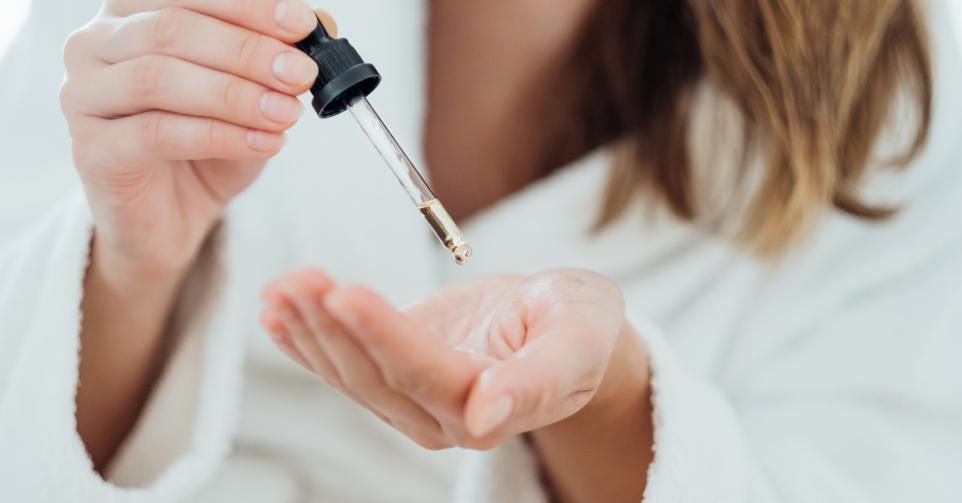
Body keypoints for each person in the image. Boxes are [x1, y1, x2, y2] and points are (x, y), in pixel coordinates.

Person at [1, 0, 960, 501]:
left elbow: (869, 477)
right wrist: (134, 268)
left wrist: (611, 404)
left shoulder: (907, 81)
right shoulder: (153, 19)